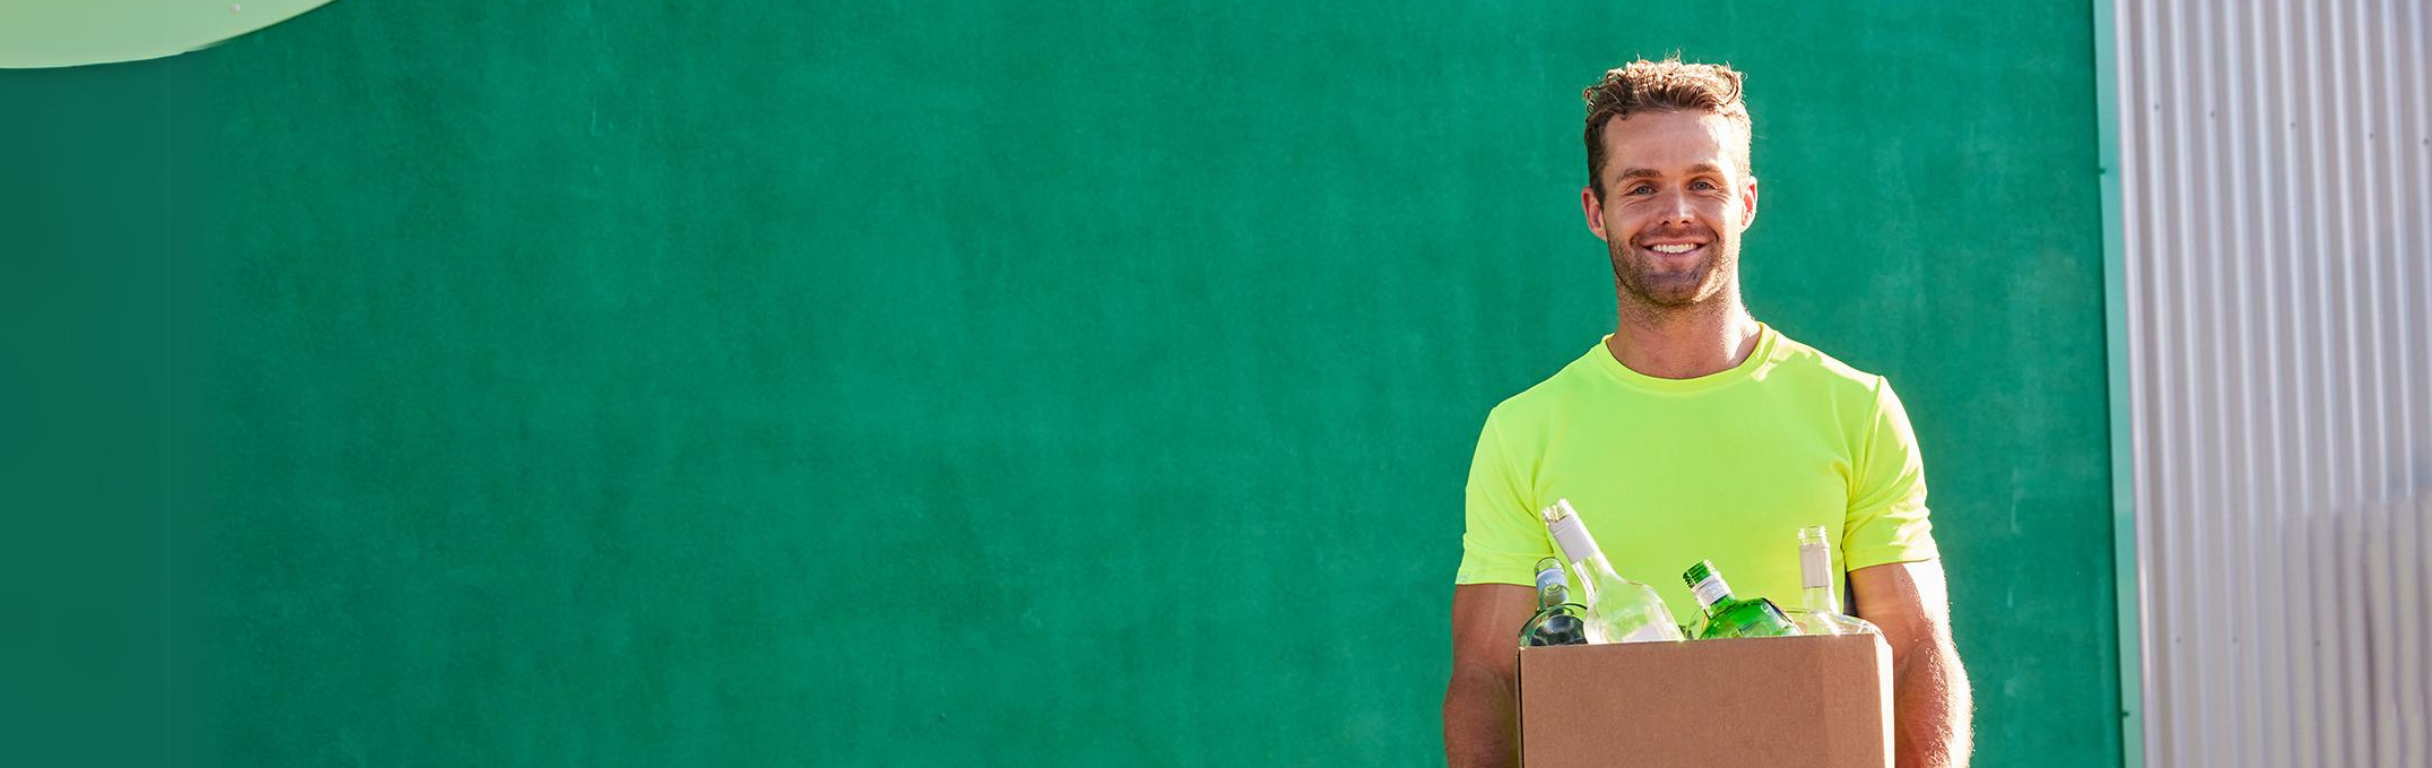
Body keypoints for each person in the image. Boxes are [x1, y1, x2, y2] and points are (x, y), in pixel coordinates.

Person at [1439, 58, 1973, 768]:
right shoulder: (1524, 430)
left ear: (1746, 202)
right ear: (1596, 212)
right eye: (1641, 187)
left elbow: (1915, 648)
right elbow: (1487, 675)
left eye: (1703, 184)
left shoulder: (1856, 407)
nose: (1677, 213)